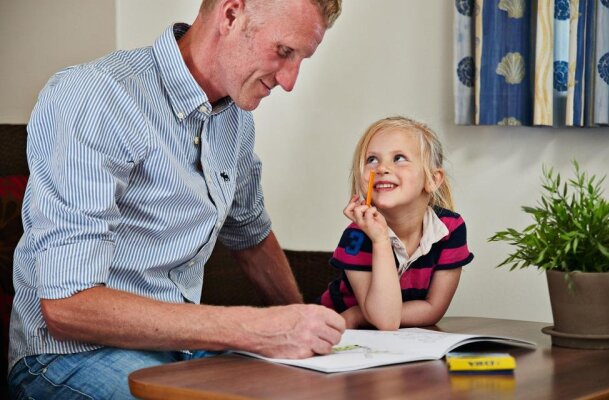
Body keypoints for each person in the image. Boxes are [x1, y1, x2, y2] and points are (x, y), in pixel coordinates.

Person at [8, 0, 344, 398]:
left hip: (178, 351)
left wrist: (310, 333)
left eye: (300, 59)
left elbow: (251, 236)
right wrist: (258, 329)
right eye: (284, 52)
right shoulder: (97, 97)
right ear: (231, 15)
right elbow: (67, 306)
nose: (289, 81)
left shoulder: (234, 119)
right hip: (68, 357)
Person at [319, 116, 474, 330]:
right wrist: (380, 240)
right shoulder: (356, 236)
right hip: (339, 334)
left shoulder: (450, 229)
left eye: (399, 158)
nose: (381, 168)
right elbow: (385, 320)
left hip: (388, 335)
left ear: (433, 179)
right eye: (372, 160)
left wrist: (358, 314)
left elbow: (433, 309)